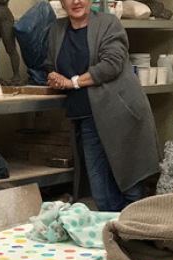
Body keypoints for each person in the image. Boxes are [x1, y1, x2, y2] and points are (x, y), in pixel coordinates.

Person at [45, 0, 160, 211]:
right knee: (102, 193)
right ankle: (116, 229)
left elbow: (111, 64)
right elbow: (51, 63)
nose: (76, 1)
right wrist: (53, 76)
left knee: (131, 188)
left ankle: (135, 229)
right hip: (86, 117)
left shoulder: (108, 23)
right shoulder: (57, 29)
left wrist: (73, 82)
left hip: (119, 114)